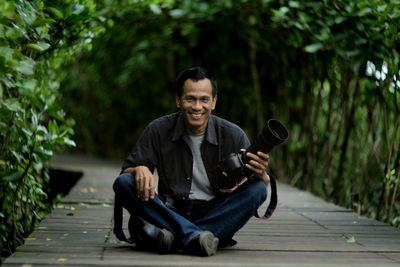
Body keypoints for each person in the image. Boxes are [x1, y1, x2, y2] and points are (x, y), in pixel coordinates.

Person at [113, 66, 270, 257]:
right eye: (190, 99)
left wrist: (262, 174)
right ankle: (198, 237)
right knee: (123, 183)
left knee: (259, 189)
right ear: (178, 100)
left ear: (214, 102)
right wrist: (138, 169)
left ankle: (174, 237)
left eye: (204, 99)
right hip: (169, 209)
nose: (197, 107)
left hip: (214, 211)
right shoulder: (158, 129)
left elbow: (258, 185)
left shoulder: (233, 134)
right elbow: (124, 174)